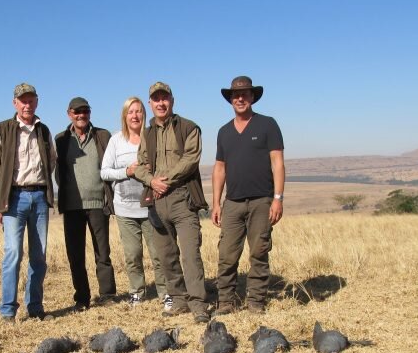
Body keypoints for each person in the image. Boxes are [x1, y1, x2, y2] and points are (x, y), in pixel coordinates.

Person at [133, 82, 210, 323]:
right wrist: (151, 181)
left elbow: (191, 159)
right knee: (166, 254)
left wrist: (166, 180)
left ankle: (198, 304)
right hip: (156, 199)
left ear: (172, 100)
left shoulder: (188, 127)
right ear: (150, 103)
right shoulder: (147, 133)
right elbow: (141, 163)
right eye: (156, 99)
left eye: (164, 98)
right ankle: (178, 299)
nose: (161, 102)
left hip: (182, 198)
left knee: (189, 254)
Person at [0, 82, 56, 323]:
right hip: (13, 198)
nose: (27, 104)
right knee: (13, 253)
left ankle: (34, 307)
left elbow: (51, 161)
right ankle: (7, 310)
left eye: (31, 99)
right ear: (15, 103)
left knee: (39, 255)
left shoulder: (44, 131)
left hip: (39, 198)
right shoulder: (1, 130)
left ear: (37, 101)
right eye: (22, 100)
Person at [211, 76, 285, 315]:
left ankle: (256, 302)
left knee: (259, 252)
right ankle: (225, 302)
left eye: (244, 94)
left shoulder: (267, 124)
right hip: (232, 202)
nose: (240, 98)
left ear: (252, 97)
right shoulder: (223, 132)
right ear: (230, 99)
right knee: (226, 255)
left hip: (262, 201)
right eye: (236, 95)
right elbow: (219, 168)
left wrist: (278, 198)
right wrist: (216, 203)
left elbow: (278, 163)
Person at [100, 97, 169, 308]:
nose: (135, 115)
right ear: (125, 116)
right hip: (124, 208)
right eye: (131, 112)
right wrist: (127, 171)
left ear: (144, 114)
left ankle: (165, 292)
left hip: (151, 207)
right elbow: (104, 172)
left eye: (139, 111)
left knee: (158, 254)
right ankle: (137, 292)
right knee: (132, 254)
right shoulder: (116, 140)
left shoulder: (152, 137)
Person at [55, 97, 117, 311]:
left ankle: (107, 295)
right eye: (77, 112)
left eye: (85, 111)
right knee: (75, 255)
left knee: (103, 252)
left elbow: (112, 165)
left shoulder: (102, 135)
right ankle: (82, 298)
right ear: (69, 113)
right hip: (72, 206)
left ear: (90, 113)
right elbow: (58, 172)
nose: (81, 115)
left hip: (98, 203)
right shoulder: (61, 139)